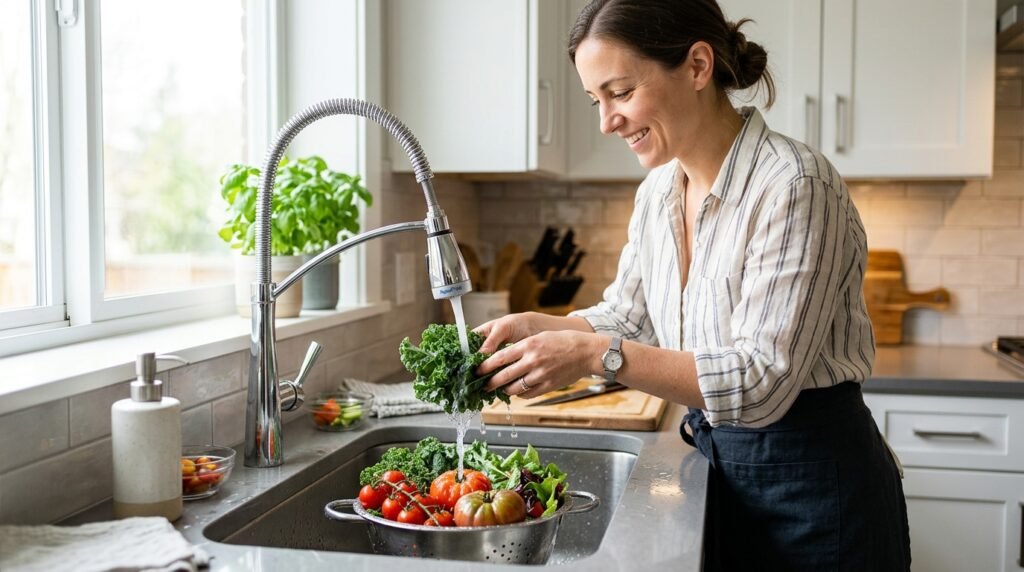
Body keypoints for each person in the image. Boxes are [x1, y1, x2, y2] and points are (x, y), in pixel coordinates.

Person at [474, 0, 911, 570]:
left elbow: (761, 382)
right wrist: (542, 328)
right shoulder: (657, 191)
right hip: (717, 470)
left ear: (698, 66)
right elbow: (629, 317)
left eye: (621, 92)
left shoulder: (795, 186)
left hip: (816, 489)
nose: (607, 121)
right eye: (595, 101)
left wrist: (590, 353)